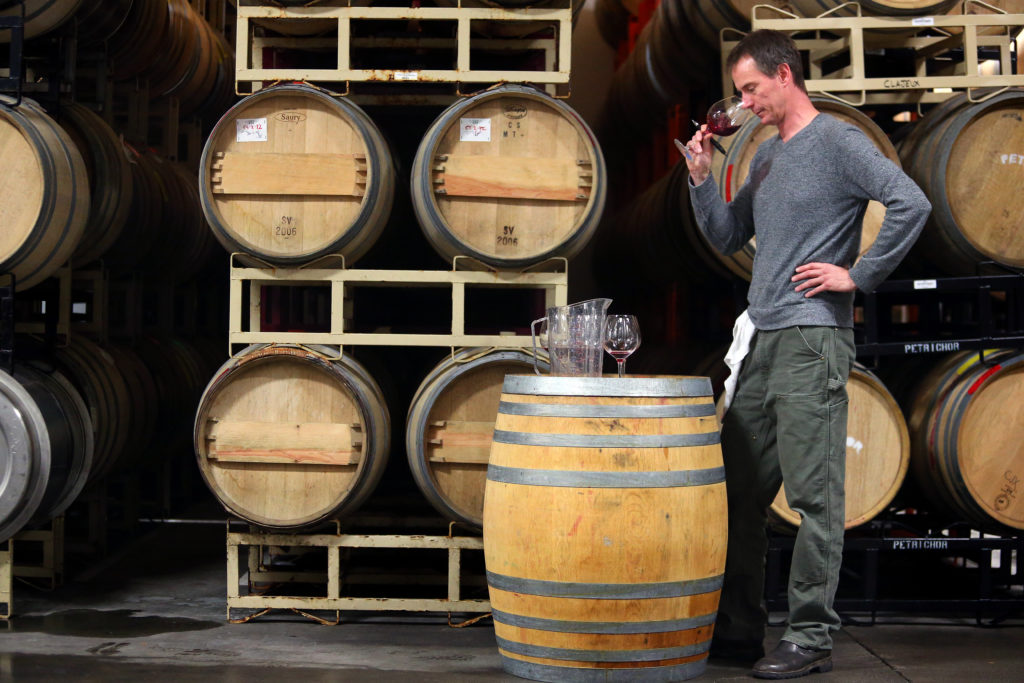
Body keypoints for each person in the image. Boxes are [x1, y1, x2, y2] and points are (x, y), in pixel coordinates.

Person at [680, 30, 931, 679]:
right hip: (762, 336)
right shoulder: (766, 156)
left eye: (750, 90)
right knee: (739, 491)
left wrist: (860, 274)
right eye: (740, 93)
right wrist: (703, 179)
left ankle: (811, 635)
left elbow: (912, 201)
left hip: (812, 337)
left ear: (784, 75)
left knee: (816, 494)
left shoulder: (840, 143)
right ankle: (738, 629)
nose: (742, 104)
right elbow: (729, 232)